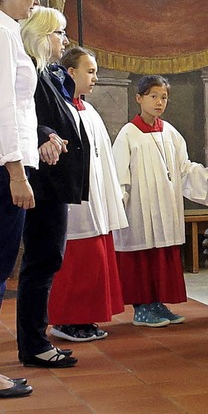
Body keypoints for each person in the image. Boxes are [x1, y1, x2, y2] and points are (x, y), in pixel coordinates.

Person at [112, 75, 208, 327]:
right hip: (139, 208)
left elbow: (183, 168)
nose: (159, 102)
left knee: (161, 255)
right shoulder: (128, 134)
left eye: (164, 97)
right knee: (141, 255)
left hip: (165, 205)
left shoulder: (170, 132)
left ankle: (157, 303)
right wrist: (119, 206)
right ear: (139, 98)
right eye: (153, 96)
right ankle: (141, 308)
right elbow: (119, 175)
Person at [18, 6, 90, 368]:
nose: (64, 39)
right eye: (58, 32)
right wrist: (46, 133)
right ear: (42, 35)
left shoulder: (46, 73)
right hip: (41, 181)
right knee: (43, 261)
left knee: (46, 260)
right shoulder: (30, 70)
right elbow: (22, 116)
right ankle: (33, 344)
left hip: (50, 181)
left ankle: (35, 340)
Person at [47, 47, 128, 341]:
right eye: (90, 71)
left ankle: (85, 318)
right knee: (76, 260)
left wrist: (110, 194)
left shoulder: (89, 110)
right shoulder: (61, 109)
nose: (95, 78)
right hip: (74, 204)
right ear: (71, 73)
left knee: (95, 258)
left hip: (94, 201)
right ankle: (66, 319)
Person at [0, 0, 40, 398]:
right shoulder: (3, 34)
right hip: (5, 168)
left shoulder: (9, 32)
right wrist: (16, 172)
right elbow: (4, 108)